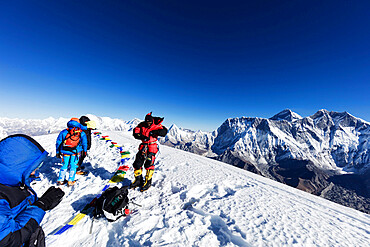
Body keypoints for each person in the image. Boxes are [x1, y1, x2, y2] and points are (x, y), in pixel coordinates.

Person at [0, 134, 65, 247]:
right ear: (17, 165)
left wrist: (43, 201)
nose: (35, 172)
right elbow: (7, 240)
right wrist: (41, 206)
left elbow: (19, 208)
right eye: (33, 168)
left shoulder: (15, 183)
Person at [131, 112, 168, 192]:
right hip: (143, 146)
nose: (148, 124)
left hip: (152, 147)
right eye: (147, 122)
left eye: (150, 122)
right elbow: (135, 132)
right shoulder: (142, 125)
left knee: (149, 164)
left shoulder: (156, 125)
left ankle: (148, 182)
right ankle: (138, 180)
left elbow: (164, 132)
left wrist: (154, 132)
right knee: (137, 163)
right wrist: (141, 136)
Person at [56, 118, 88, 186]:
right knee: (73, 166)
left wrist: (58, 152)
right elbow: (85, 143)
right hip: (75, 152)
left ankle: (61, 180)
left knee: (64, 165)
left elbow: (58, 142)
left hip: (65, 152)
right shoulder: (81, 132)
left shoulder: (64, 132)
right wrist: (84, 151)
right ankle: (70, 180)